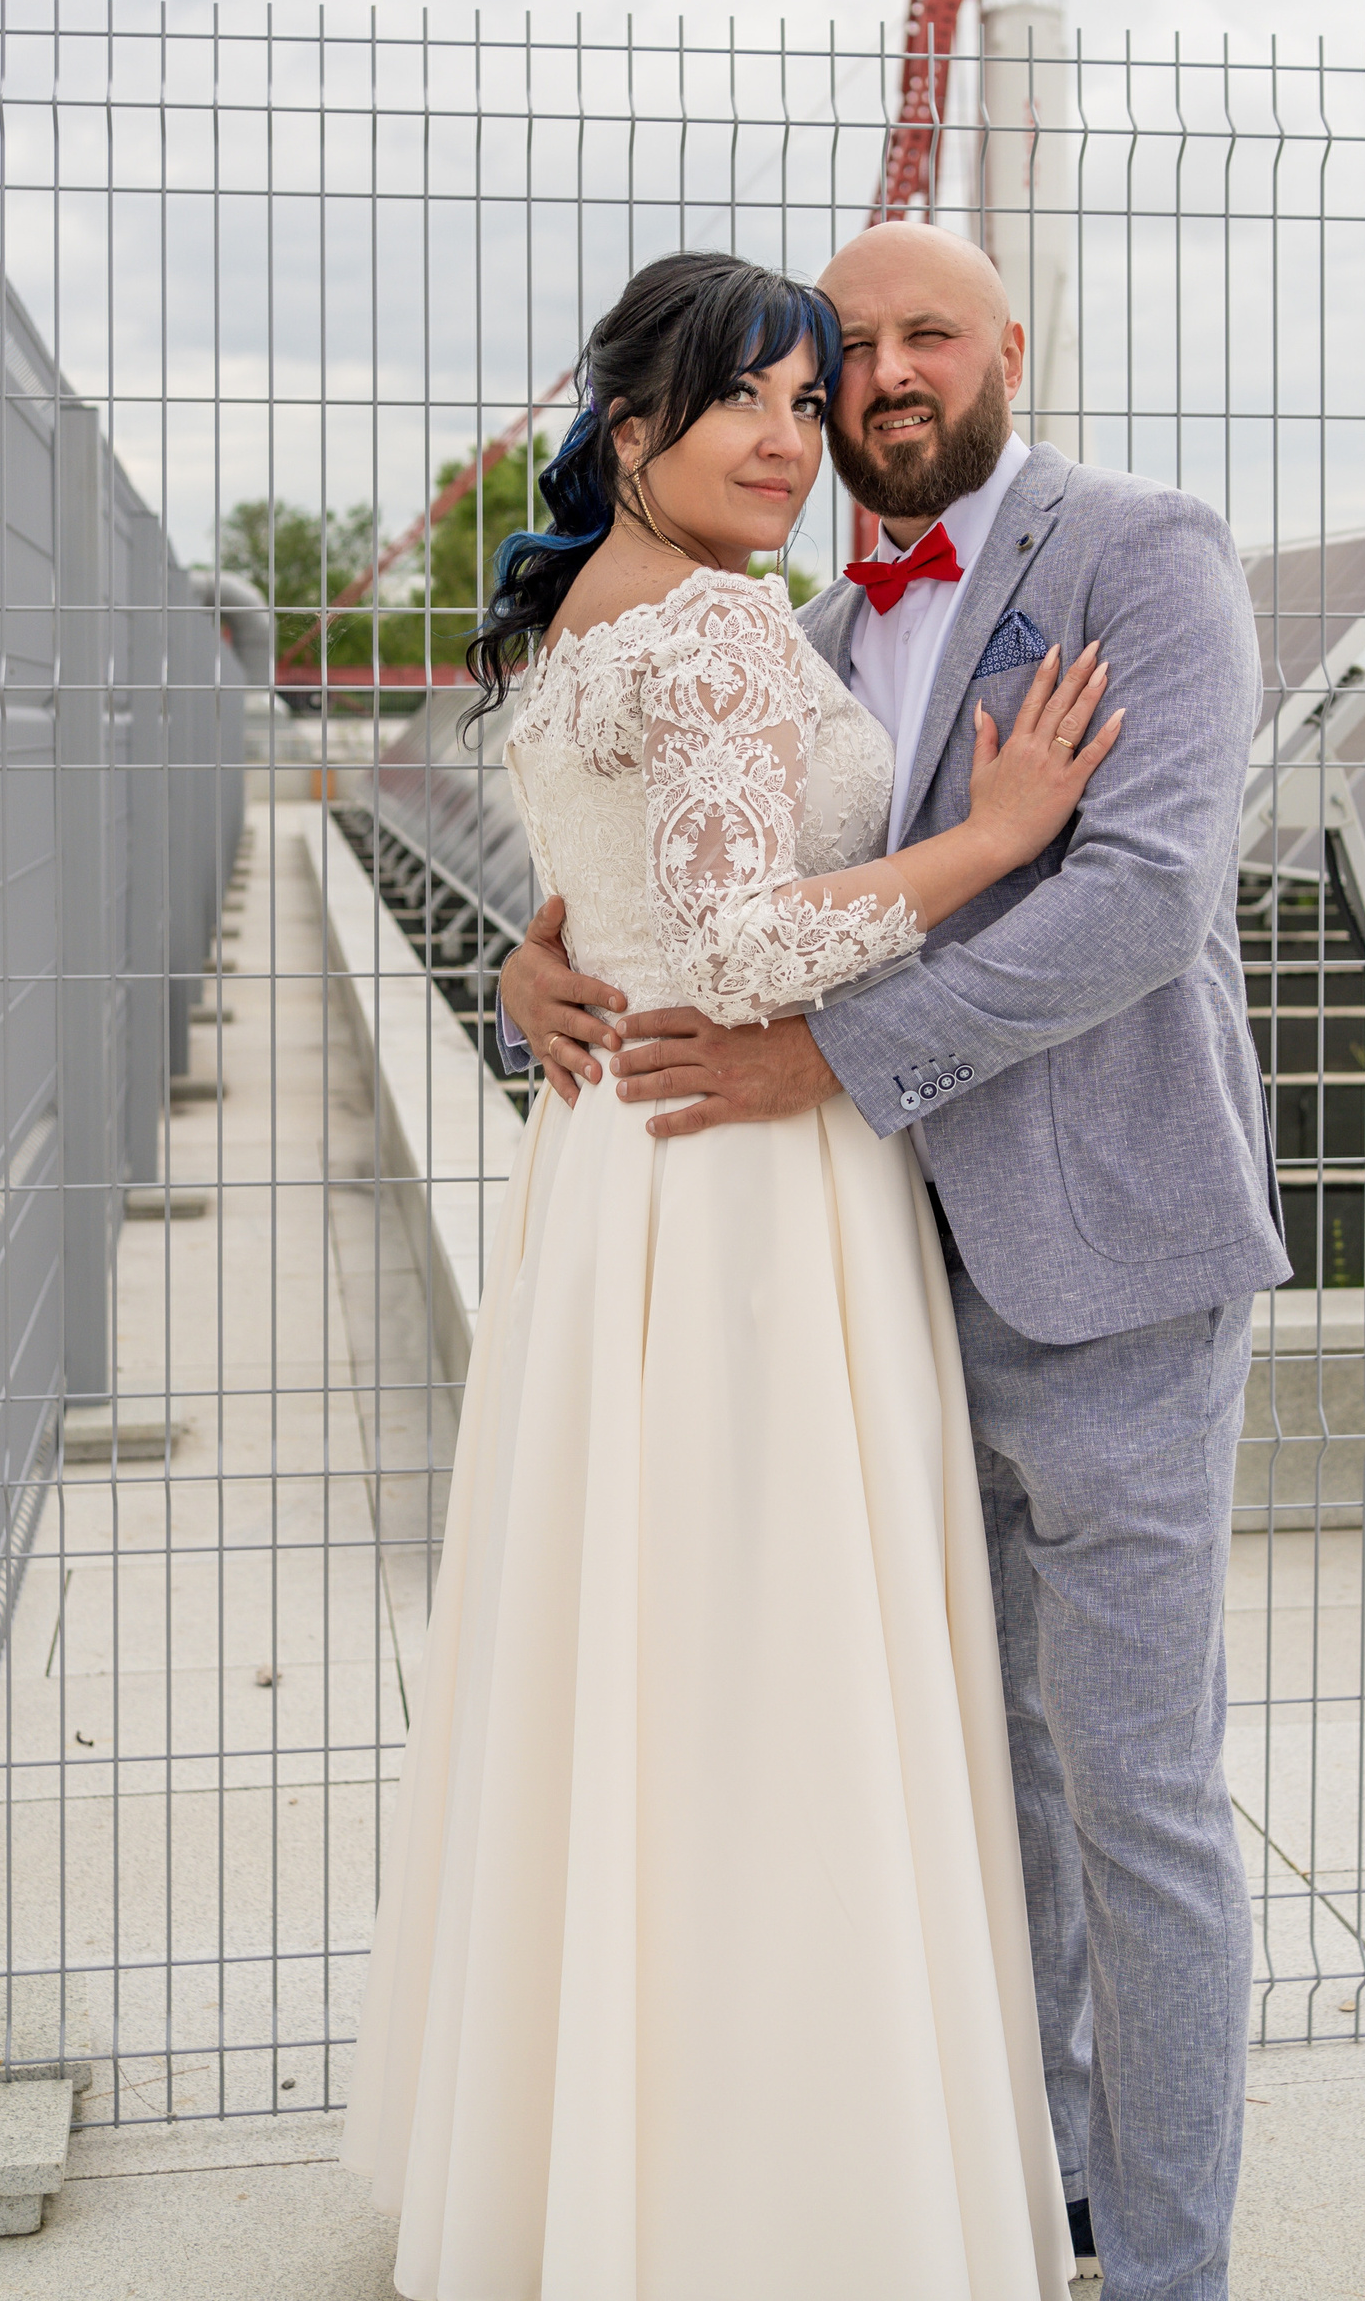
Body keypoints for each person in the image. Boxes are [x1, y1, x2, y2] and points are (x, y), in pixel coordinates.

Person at [501, 221, 1291, 2301]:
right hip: (872, 1279)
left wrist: (829, 1062)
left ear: (1011, 343)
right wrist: (537, 960)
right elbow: (718, 871)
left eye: (925, 333)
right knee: (970, 1780)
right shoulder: (820, 615)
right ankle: (1034, 2193)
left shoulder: (1143, 550)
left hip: (1105, 1261)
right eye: (840, 349)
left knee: (1135, 1800)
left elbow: (1140, 898)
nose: (878, 378)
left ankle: (1171, 2265)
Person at [341, 249, 1122, 2301]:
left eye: (804, 398)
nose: (792, 440)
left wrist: (533, 960)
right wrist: (999, 831)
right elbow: (751, 942)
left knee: (644, 1661)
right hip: (747, 1182)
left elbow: (601, 901)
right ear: (632, 431)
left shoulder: (586, 620)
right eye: (744, 403)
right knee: (771, 1664)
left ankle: (623, 2161)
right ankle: (787, 2193)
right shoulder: (700, 627)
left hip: (627, 1178)